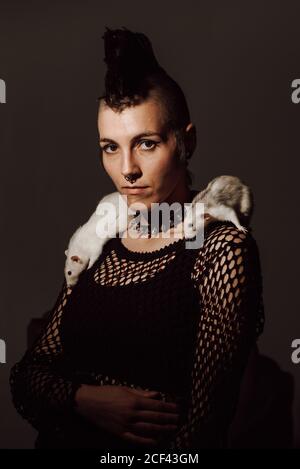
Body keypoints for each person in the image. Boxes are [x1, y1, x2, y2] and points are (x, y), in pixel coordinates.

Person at [9, 27, 265, 450]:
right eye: (110, 147)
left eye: (146, 144)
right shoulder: (102, 240)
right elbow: (28, 377)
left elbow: (205, 427)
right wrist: (86, 400)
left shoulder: (219, 249)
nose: (127, 169)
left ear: (187, 141)